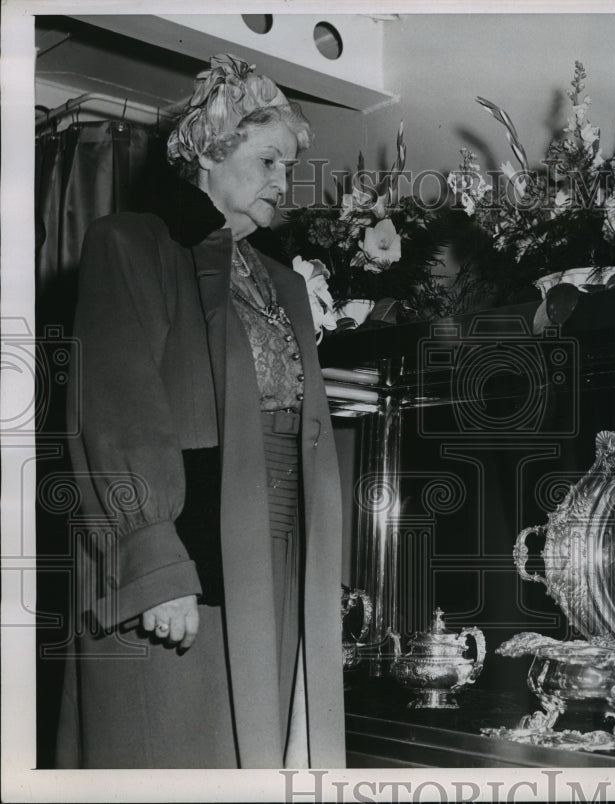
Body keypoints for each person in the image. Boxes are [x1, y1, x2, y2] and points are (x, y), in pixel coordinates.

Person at [56, 54, 345, 769]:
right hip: (186, 553)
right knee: (183, 750)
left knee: (264, 756)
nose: (285, 180)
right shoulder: (133, 244)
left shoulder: (280, 280)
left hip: (276, 554)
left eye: (290, 164)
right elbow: (117, 411)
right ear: (210, 151)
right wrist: (156, 560)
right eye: (269, 158)